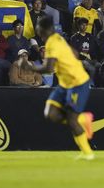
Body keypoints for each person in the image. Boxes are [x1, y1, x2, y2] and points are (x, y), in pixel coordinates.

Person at [31, 16, 95, 160]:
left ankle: (88, 153)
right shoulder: (57, 38)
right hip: (65, 83)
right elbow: (75, 53)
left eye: (38, 28)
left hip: (77, 83)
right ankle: (83, 119)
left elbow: (48, 68)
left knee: (72, 120)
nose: (37, 31)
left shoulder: (53, 43)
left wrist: (29, 66)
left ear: (43, 29)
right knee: (50, 113)